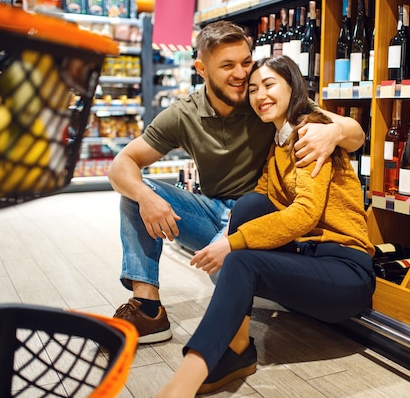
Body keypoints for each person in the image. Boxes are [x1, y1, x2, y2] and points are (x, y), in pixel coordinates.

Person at [107, 20, 365, 344]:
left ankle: (247, 318)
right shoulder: (183, 114)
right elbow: (121, 165)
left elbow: (355, 135)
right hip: (210, 210)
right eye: (227, 65)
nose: (242, 75)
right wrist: (146, 197)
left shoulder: (265, 99)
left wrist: (335, 131)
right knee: (135, 193)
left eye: (246, 62)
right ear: (201, 68)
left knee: (226, 265)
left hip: (258, 213)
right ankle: (147, 308)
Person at [155, 55, 376, 397]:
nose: (260, 96)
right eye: (254, 89)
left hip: (344, 270)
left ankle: (181, 385)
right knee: (250, 205)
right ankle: (238, 347)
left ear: (293, 87)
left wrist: (231, 244)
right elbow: (260, 197)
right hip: (308, 259)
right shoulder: (278, 145)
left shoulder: (310, 134)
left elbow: (304, 213)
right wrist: (229, 236)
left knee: (241, 258)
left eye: (270, 85)